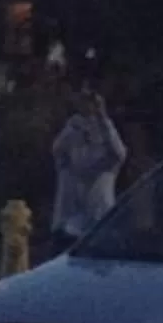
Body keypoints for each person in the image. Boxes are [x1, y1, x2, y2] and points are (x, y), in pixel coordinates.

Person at [49, 85, 126, 246]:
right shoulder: (71, 133)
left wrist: (101, 116)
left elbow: (119, 153)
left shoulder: (108, 161)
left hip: (99, 222)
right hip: (68, 223)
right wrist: (75, 126)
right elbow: (57, 149)